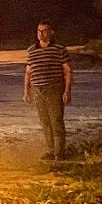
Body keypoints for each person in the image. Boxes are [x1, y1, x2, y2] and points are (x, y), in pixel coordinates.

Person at [23, 21, 72, 160]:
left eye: (44, 31)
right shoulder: (32, 50)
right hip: (37, 90)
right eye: (39, 31)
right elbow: (28, 72)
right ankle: (51, 150)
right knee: (45, 122)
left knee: (56, 120)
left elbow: (67, 71)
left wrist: (67, 91)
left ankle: (59, 152)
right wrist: (26, 91)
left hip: (54, 88)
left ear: (51, 32)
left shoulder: (59, 48)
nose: (41, 34)